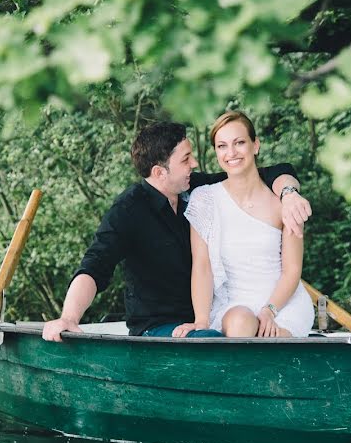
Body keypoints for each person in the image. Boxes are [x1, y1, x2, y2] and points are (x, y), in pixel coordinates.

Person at [42, 121, 311, 342]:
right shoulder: (128, 210)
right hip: (159, 328)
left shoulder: (194, 188)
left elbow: (269, 171)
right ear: (160, 172)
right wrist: (69, 317)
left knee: (230, 337)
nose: (195, 164)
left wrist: (288, 194)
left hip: (204, 319)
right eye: (186, 159)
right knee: (219, 343)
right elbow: (94, 266)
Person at [175, 111, 314, 339]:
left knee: (275, 340)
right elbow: (202, 266)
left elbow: (292, 270)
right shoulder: (205, 199)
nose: (231, 153)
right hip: (234, 303)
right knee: (241, 322)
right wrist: (201, 321)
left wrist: (269, 311)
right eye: (222, 146)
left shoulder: (284, 203)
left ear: (255, 145)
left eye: (239, 143)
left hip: (282, 304)